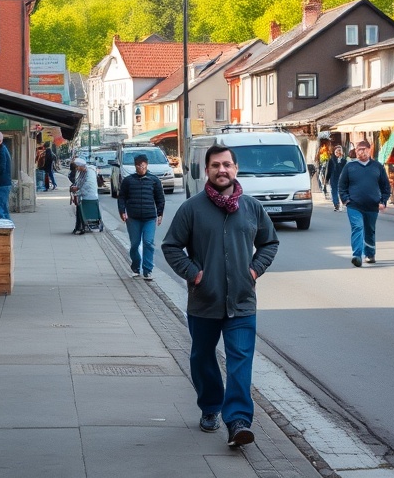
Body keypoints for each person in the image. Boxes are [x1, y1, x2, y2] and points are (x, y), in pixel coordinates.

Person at [162, 143, 279, 449]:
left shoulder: (252, 208)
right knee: (202, 358)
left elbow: (270, 243)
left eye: (227, 165)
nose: (222, 170)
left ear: (235, 169)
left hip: (242, 301)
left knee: (240, 361)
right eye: (215, 165)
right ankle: (210, 406)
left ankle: (238, 421)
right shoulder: (192, 208)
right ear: (207, 170)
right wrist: (194, 274)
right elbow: (171, 246)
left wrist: (254, 270)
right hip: (204, 301)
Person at [338, 139, 391, 267]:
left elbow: (385, 186)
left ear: (369, 150)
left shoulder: (377, 167)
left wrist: (383, 201)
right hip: (354, 205)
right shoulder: (349, 167)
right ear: (355, 152)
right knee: (357, 227)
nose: (361, 152)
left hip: (372, 205)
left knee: (370, 230)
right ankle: (357, 255)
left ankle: (370, 254)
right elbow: (342, 185)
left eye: (364, 149)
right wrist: (346, 200)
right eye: (358, 150)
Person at [117, 154, 165, 279]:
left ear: (147, 165)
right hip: (133, 218)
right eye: (138, 166)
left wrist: (160, 214)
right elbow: (122, 197)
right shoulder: (128, 181)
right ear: (135, 166)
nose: (141, 168)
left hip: (149, 218)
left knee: (148, 242)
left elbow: (160, 198)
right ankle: (136, 266)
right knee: (135, 244)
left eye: (143, 165)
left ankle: (147, 270)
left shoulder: (154, 180)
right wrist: (122, 211)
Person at [69, 157, 99, 234]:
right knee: (78, 209)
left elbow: (88, 185)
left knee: (80, 209)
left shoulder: (89, 172)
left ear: (81, 166)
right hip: (83, 195)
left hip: (90, 195)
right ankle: (78, 226)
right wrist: (75, 187)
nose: (77, 169)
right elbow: (79, 182)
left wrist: (78, 189)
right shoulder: (82, 172)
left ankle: (80, 226)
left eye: (77, 167)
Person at [324, 145, 347, 212]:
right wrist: (327, 179)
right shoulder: (331, 160)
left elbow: (346, 170)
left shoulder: (344, 161)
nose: (338, 152)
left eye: (339, 151)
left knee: (341, 191)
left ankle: (342, 203)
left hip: (342, 178)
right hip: (333, 178)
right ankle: (336, 204)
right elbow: (329, 170)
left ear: (342, 152)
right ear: (334, 152)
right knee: (334, 191)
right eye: (336, 151)